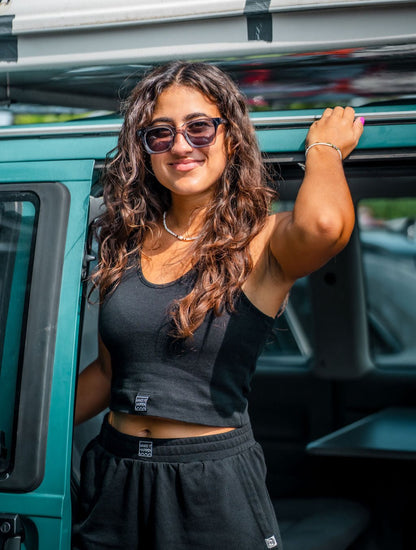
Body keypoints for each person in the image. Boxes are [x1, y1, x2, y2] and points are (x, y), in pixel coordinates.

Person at [72, 60, 364, 550]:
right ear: (144, 152)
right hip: (114, 471)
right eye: (159, 134)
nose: (181, 145)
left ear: (231, 137)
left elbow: (323, 227)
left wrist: (325, 149)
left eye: (199, 128)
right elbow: (106, 372)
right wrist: (19, 438)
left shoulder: (263, 241)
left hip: (208, 482)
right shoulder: (122, 243)